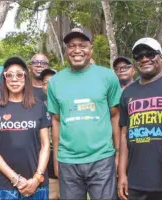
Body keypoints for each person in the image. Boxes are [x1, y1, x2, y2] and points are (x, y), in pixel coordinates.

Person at [47, 27, 121, 200]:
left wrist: (117, 154)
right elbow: (56, 121)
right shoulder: (55, 82)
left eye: (82, 45)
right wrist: (57, 158)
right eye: (72, 46)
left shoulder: (107, 76)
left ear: (91, 49)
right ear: (66, 51)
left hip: (102, 159)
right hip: (68, 161)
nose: (77, 50)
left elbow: (115, 115)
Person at [117, 39, 162, 200]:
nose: (144, 59)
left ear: (161, 57)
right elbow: (124, 135)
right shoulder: (128, 93)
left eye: (150, 54)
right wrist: (122, 174)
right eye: (139, 56)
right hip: (136, 181)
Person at [0, 57, 51, 199]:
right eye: (9, 75)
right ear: (4, 79)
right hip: (4, 186)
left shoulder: (38, 106)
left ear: (25, 77)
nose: (14, 79)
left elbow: (45, 145)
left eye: (19, 74)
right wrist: (15, 178)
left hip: (37, 184)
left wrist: (37, 177)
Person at [39, 68, 59, 199]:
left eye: (53, 82)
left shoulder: (67, 104)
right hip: (46, 169)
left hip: (68, 167)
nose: (49, 86)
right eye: (46, 83)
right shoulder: (37, 108)